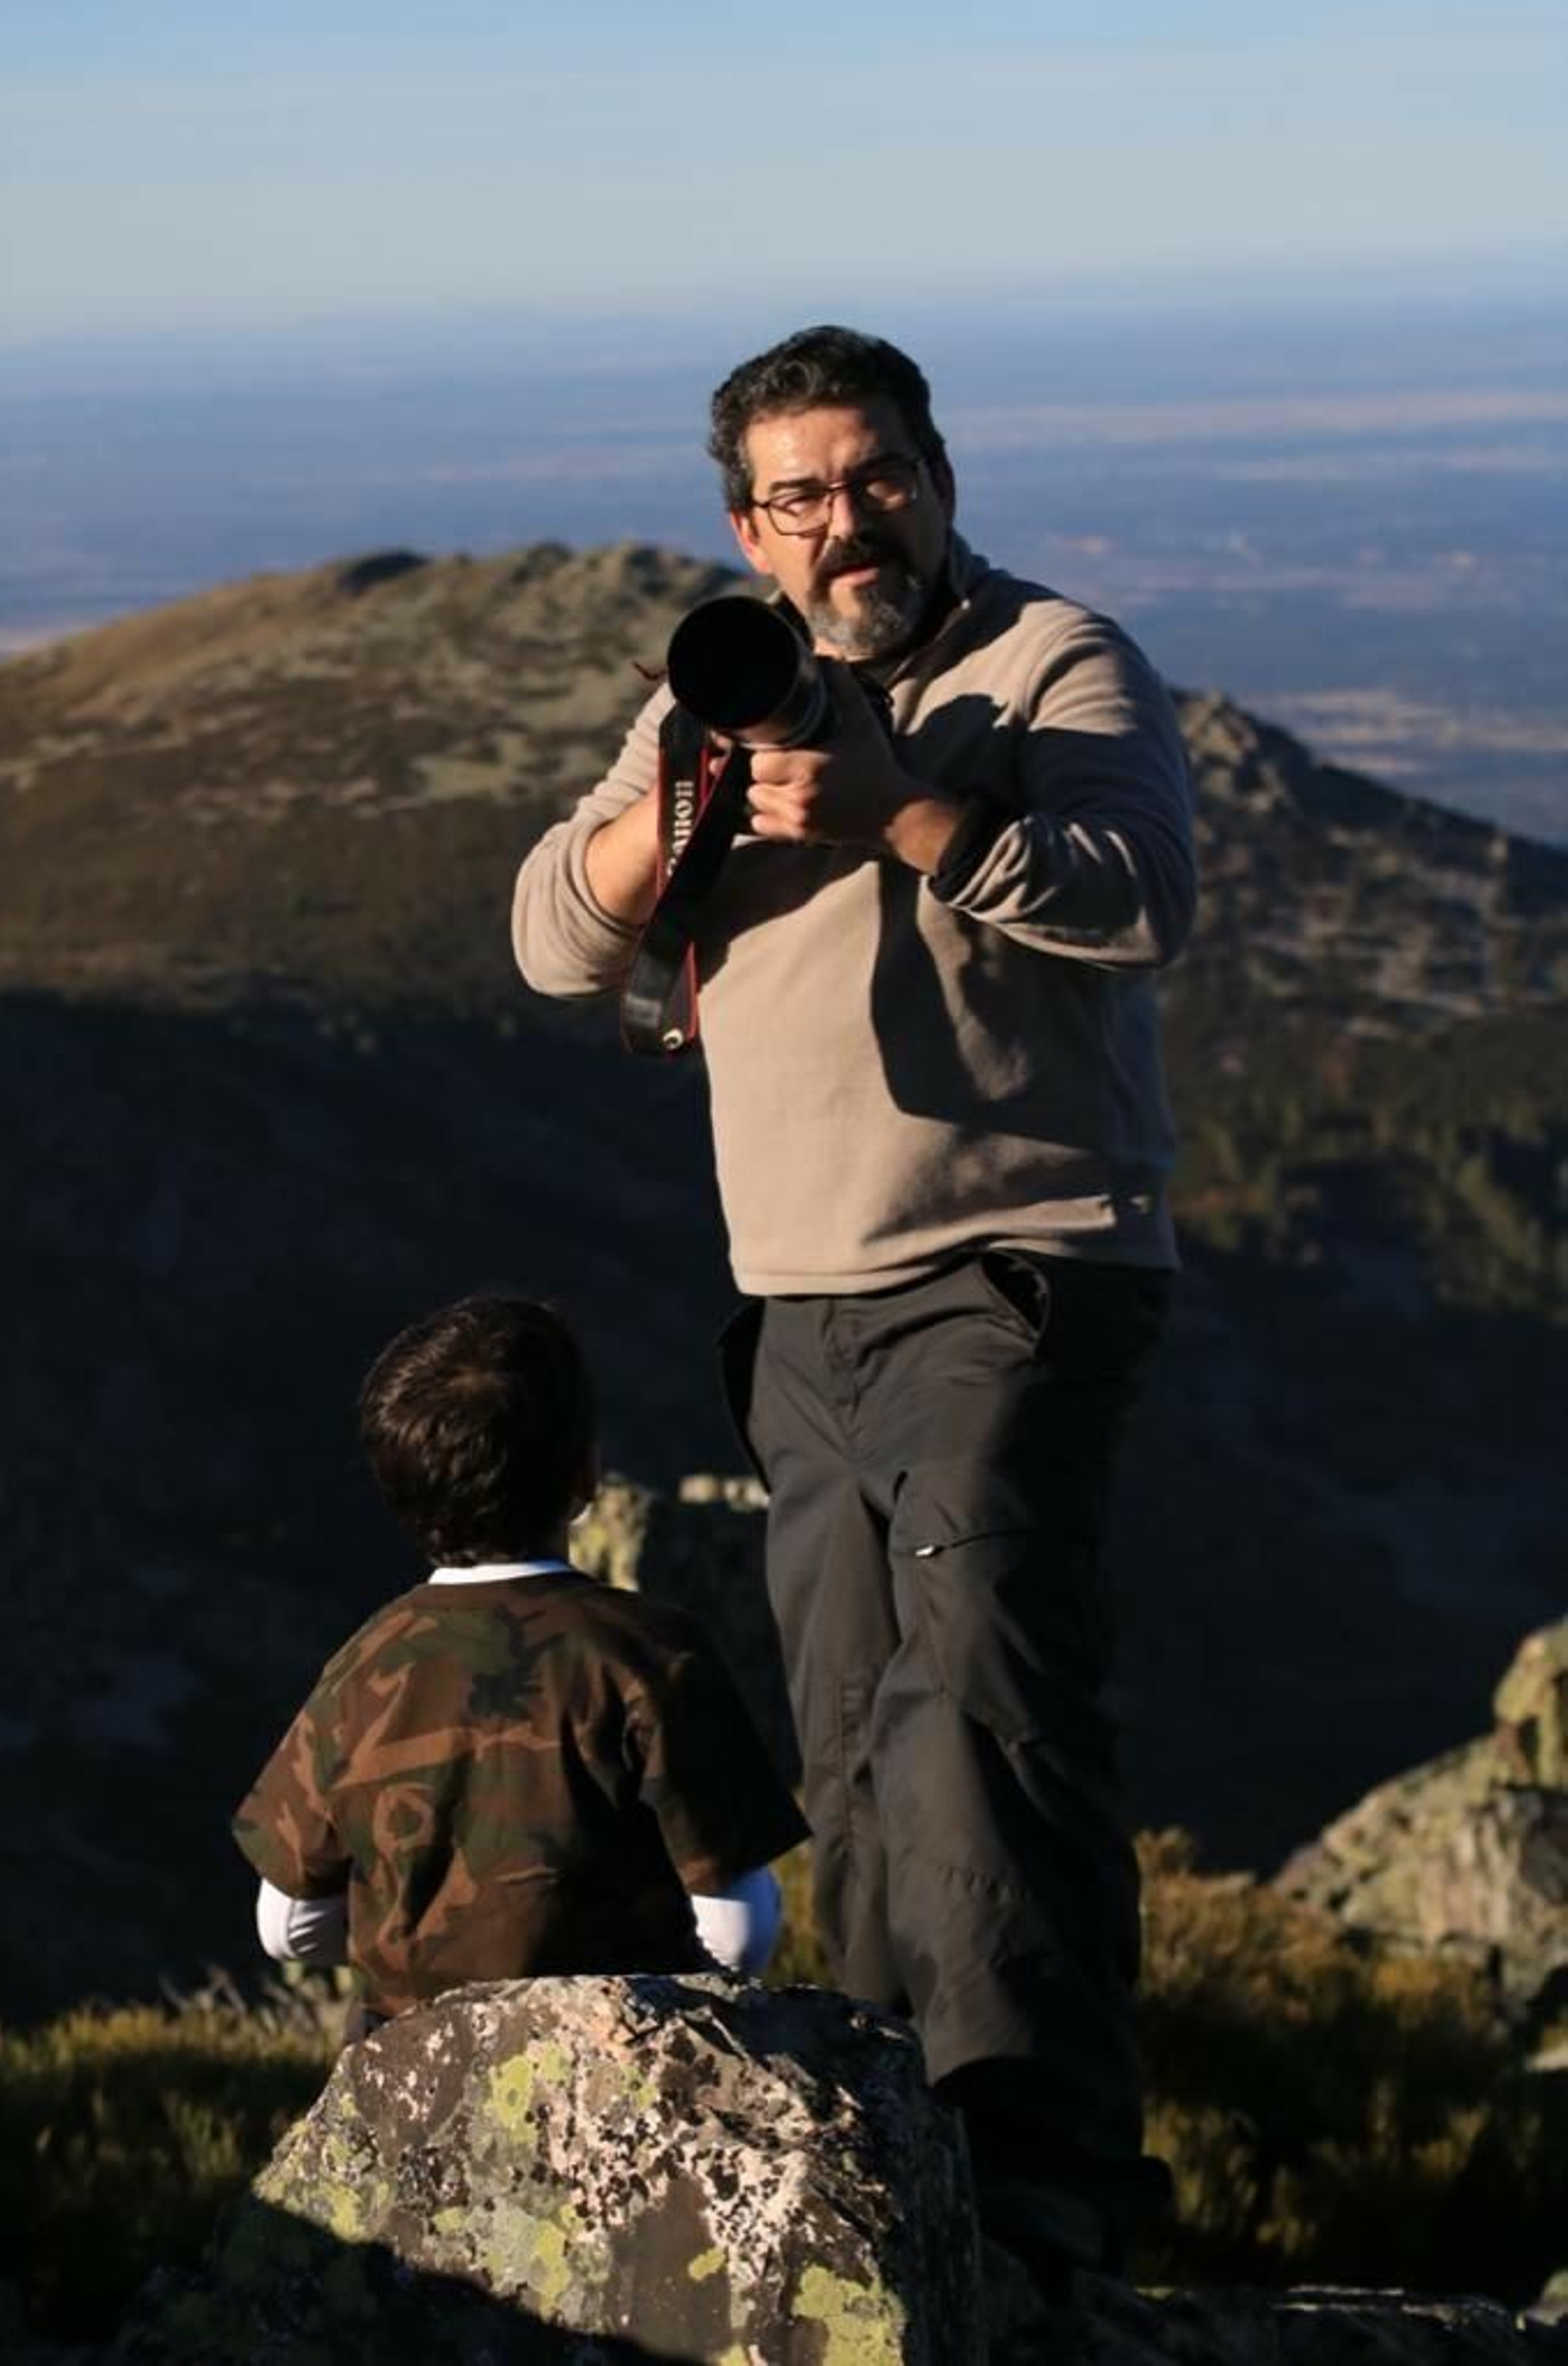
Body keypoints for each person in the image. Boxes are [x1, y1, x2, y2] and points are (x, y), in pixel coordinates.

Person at [510, 326, 1196, 2288]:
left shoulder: (1050, 661)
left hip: (1020, 1260)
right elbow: (556, 935)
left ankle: (1047, 2185)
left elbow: (1139, 898)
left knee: (982, 1692)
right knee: (850, 1741)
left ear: (937, 472)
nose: (845, 518)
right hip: (799, 1297)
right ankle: (904, 2147)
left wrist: (902, 807)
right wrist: (677, 812)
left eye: (874, 473)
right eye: (799, 493)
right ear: (746, 525)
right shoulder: (711, 695)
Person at [234, 1295, 807, 2028]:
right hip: (605, 2079)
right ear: (585, 1477)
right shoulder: (649, 1655)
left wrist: (432, 1946)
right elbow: (739, 1932)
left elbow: (284, 1927)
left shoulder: (361, 1667)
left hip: (408, 2094)